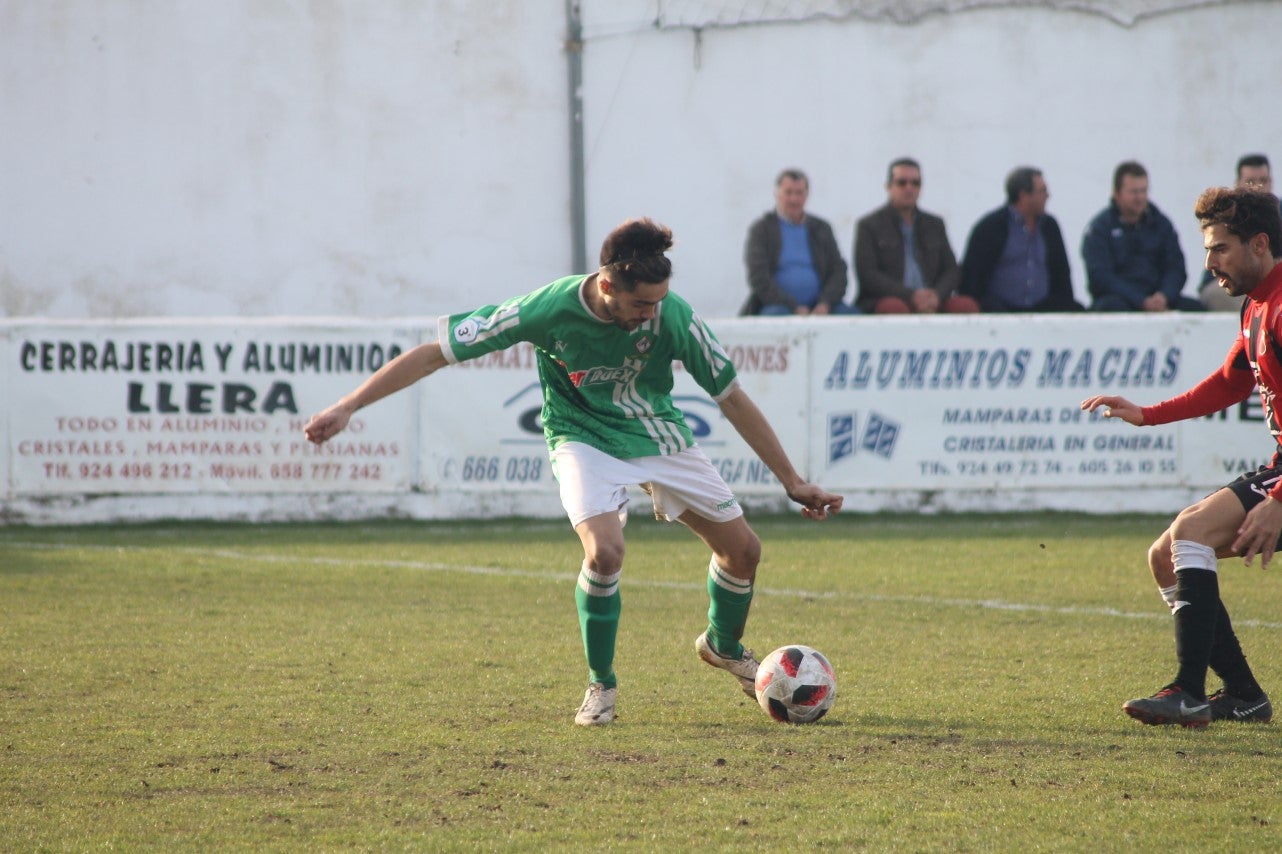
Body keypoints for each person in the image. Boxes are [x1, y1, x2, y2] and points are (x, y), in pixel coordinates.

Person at [305, 218, 844, 727]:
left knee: (744, 551)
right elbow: (433, 354)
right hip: (580, 435)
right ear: (607, 284)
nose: (651, 314)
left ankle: (723, 647)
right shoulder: (547, 308)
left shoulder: (673, 315)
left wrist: (791, 480)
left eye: (658, 302)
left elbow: (730, 397)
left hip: (656, 431)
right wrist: (349, 406)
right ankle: (601, 684)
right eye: (640, 303)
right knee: (604, 552)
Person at [1080, 185, 1281, 728]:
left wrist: (1280, 499)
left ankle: (1189, 692)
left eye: (1220, 248)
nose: (1210, 262)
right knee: (1165, 555)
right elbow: (1226, 383)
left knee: (1190, 533)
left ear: (1259, 243)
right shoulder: (1256, 305)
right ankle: (1242, 694)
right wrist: (1147, 413)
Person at [853, 158, 979, 314]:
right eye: (902, 183)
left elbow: (951, 269)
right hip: (890, 299)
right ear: (888, 186)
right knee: (894, 308)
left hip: (932, 300)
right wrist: (910, 295)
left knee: (965, 306)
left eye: (915, 183)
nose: (909, 188)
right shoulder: (869, 225)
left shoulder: (935, 224)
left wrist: (936, 295)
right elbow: (868, 275)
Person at [959, 167, 1084, 312]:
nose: (1048, 196)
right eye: (1042, 191)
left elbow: (1061, 272)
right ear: (1024, 195)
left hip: (1042, 306)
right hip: (1001, 309)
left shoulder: (1049, 226)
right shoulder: (991, 227)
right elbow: (973, 277)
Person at [1082, 161, 1200, 312]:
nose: (1140, 198)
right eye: (1133, 192)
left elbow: (1176, 267)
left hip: (1159, 299)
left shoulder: (1161, 224)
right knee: (1110, 308)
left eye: (1143, 191)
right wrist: (1139, 300)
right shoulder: (1100, 229)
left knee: (1195, 309)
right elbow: (1101, 277)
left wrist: (1164, 296)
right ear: (1116, 193)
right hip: (1120, 301)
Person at [742, 169, 853, 316]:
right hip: (779, 307)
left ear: (807, 195)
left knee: (853, 318)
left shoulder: (821, 228)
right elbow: (758, 277)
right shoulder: (762, 230)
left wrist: (825, 303)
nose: (794, 199)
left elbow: (838, 270)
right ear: (777, 194)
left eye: (799, 193)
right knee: (776, 318)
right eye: (788, 192)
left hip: (821, 307)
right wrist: (793, 307)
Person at [1200, 154, 1275, 311]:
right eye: (1250, 181)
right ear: (1237, 183)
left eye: (1262, 181)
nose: (1257, 187)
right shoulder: (1227, 218)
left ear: (1260, 244)